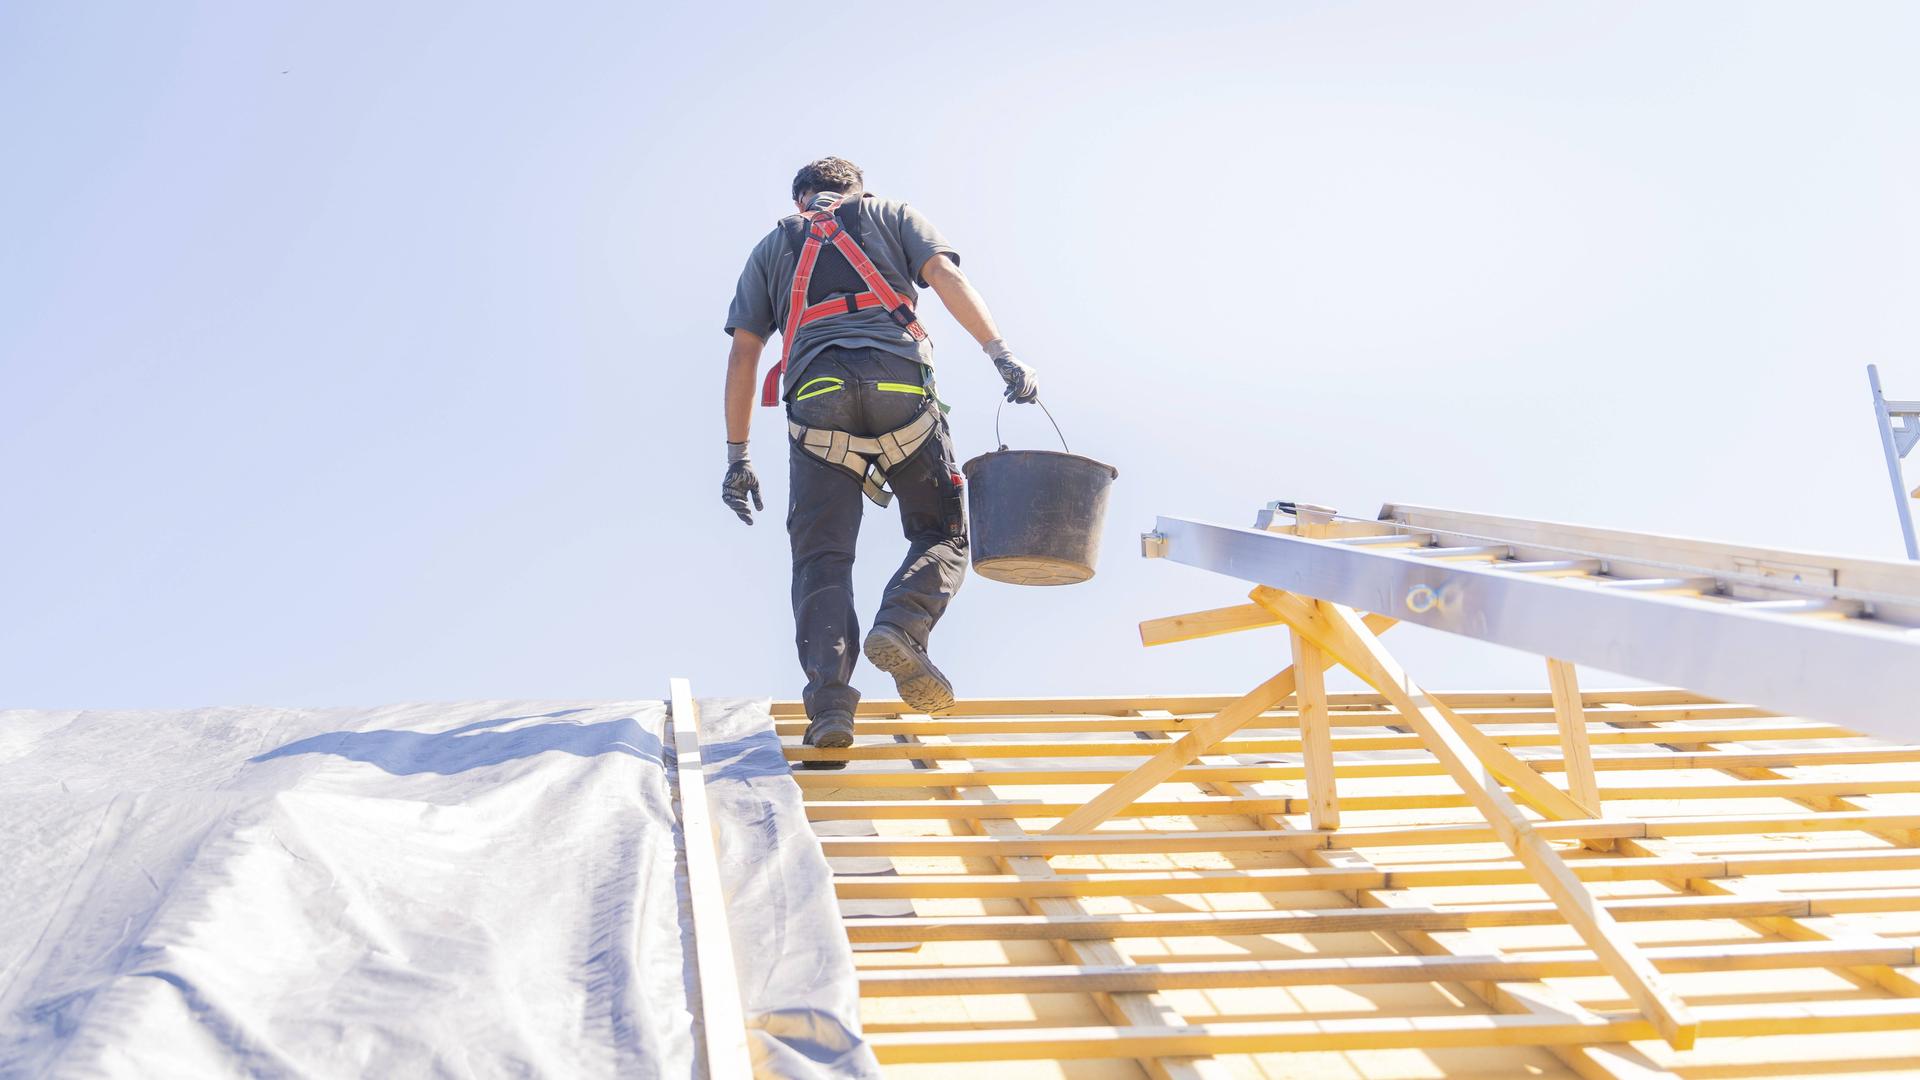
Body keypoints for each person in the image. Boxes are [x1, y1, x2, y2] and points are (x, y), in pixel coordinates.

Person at [719, 157, 1038, 755]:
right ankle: (903, 624)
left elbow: (744, 354)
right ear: (858, 192)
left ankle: (830, 708)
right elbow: (944, 275)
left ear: (800, 201)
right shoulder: (892, 215)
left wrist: (738, 456)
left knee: (821, 559)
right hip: (901, 390)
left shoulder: (771, 247)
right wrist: (1001, 354)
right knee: (942, 534)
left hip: (817, 403)